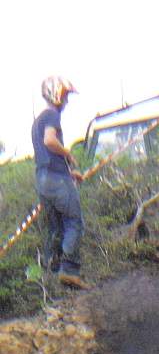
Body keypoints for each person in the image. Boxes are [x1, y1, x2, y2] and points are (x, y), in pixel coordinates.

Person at [31, 75, 89, 289]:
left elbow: (46, 155)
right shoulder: (52, 116)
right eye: (65, 96)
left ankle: (52, 274)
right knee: (74, 222)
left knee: (56, 228)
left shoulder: (37, 121)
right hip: (57, 180)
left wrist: (71, 173)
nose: (66, 101)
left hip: (43, 179)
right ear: (57, 95)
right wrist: (69, 154)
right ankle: (70, 271)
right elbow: (50, 141)